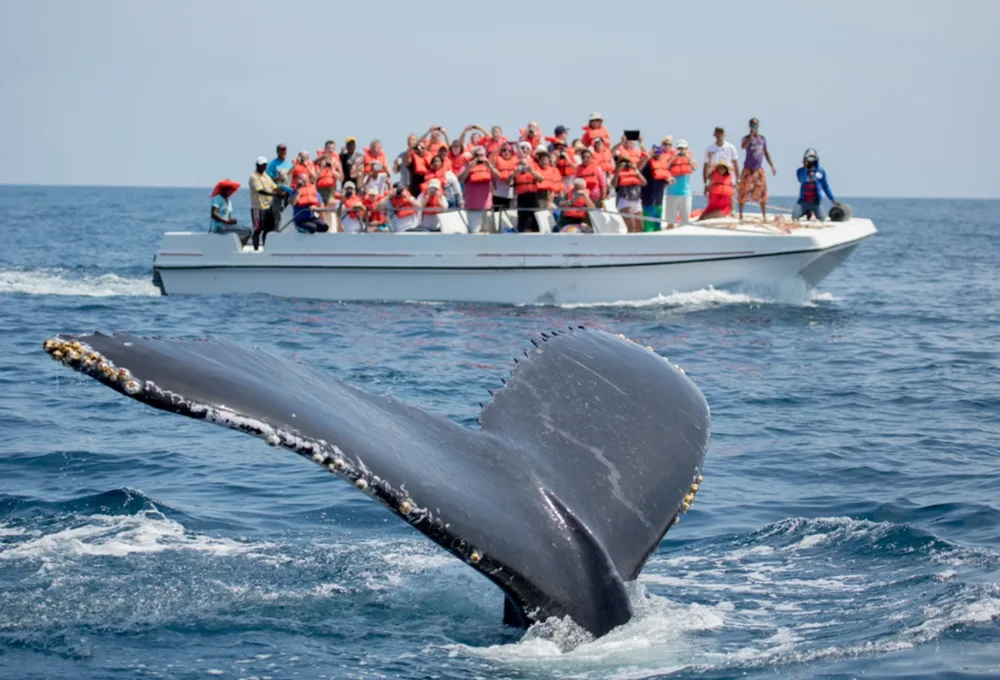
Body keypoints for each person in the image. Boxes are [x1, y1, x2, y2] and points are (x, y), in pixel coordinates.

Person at [738, 118, 777, 221]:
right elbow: (743, 146)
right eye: (752, 124)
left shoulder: (762, 139)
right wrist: (750, 136)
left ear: (758, 125)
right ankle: (741, 215)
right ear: (749, 125)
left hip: (758, 169)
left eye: (755, 124)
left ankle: (764, 216)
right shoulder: (745, 138)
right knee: (743, 192)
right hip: (748, 169)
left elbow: (766, 152)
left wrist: (772, 165)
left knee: (762, 193)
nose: (754, 126)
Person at [458, 146, 498, 233]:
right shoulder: (466, 166)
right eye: (477, 155)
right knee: (475, 232)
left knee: (488, 232)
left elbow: (498, 177)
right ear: (473, 156)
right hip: (473, 207)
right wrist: (469, 167)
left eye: (481, 155)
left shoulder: (488, 166)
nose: (479, 157)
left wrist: (489, 165)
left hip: (487, 206)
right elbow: (460, 179)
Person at [793, 148, 839, 221]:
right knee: (794, 216)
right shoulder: (800, 171)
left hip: (815, 203)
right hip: (803, 202)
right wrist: (805, 168)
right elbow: (801, 179)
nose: (811, 160)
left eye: (813, 157)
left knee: (822, 219)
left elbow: (825, 186)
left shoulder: (820, 171)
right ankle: (806, 211)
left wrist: (832, 199)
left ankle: (812, 211)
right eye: (809, 157)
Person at [249, 157, 281, 250]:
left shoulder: (266, 176)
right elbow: (261, 191)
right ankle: (255, 249)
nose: (263, 167)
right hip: (258, 207)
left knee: (268, 229)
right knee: (258, 229)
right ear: (257, 165)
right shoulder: (254, 177)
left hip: (268, 206)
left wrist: (284, 191)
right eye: (262, 165)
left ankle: (265, 248)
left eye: (265, 165)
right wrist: (277, 194)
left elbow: (274, 186)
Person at [664, 139, 698, 226]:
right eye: (679, 148)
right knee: (670, 223)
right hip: (672, 194)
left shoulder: (689, 159)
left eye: (683, 149)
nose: (681, 151)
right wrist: (673, 158)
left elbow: (695, 166)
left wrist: (687, 157)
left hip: (685, 194)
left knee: (685, 222)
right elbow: (664, 167)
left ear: (687, 149)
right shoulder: (671, 158)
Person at [508, 150, 544, 232]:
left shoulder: (533, 171)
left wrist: (531, 171)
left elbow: (541, 178)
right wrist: (514, 173)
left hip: (533, 196)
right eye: (521, 164)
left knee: (534, 217)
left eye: (525, 164)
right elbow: (508, 183)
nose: (523, 166)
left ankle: (535, 232)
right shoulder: (515, 173)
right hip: (521, 197)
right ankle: (522, 232)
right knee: (523, 217)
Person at [639, 145, 672, 232]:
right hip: (648, 200)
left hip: (659, 200)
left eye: (659, 152)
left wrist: (669, 181)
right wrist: (647, 157)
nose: (658, 154)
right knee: (649, 226)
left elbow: (665, 182)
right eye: (656, 152)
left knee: (658, 226)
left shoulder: (662, 165)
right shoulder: (647, 164)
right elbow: (639, 170)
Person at [611, 157, 646, 233]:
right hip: (624, 200)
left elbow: (644, 182)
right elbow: (614, 184)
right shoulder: (617, 173)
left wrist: (635, 169)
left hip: (636, 200)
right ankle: (629, 244)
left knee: (640, 228)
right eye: (623, 163)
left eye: (627, 163)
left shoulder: (634, 172)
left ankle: (639, 244)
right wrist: (618, 170)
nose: (626, 165)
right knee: (632, 227)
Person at [210, 179, 251, 244]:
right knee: (247, 231)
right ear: (223, 189)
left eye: (230, 189)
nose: (229, 190)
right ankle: (239, 248)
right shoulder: (218, 198)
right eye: (227, 188)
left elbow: (228, 218)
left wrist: (231, 221)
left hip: (226, 226)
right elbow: (213, 214)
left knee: (246, 230)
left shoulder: (229, 201)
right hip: (219, 227)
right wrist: (227, 221)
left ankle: (237, 245)